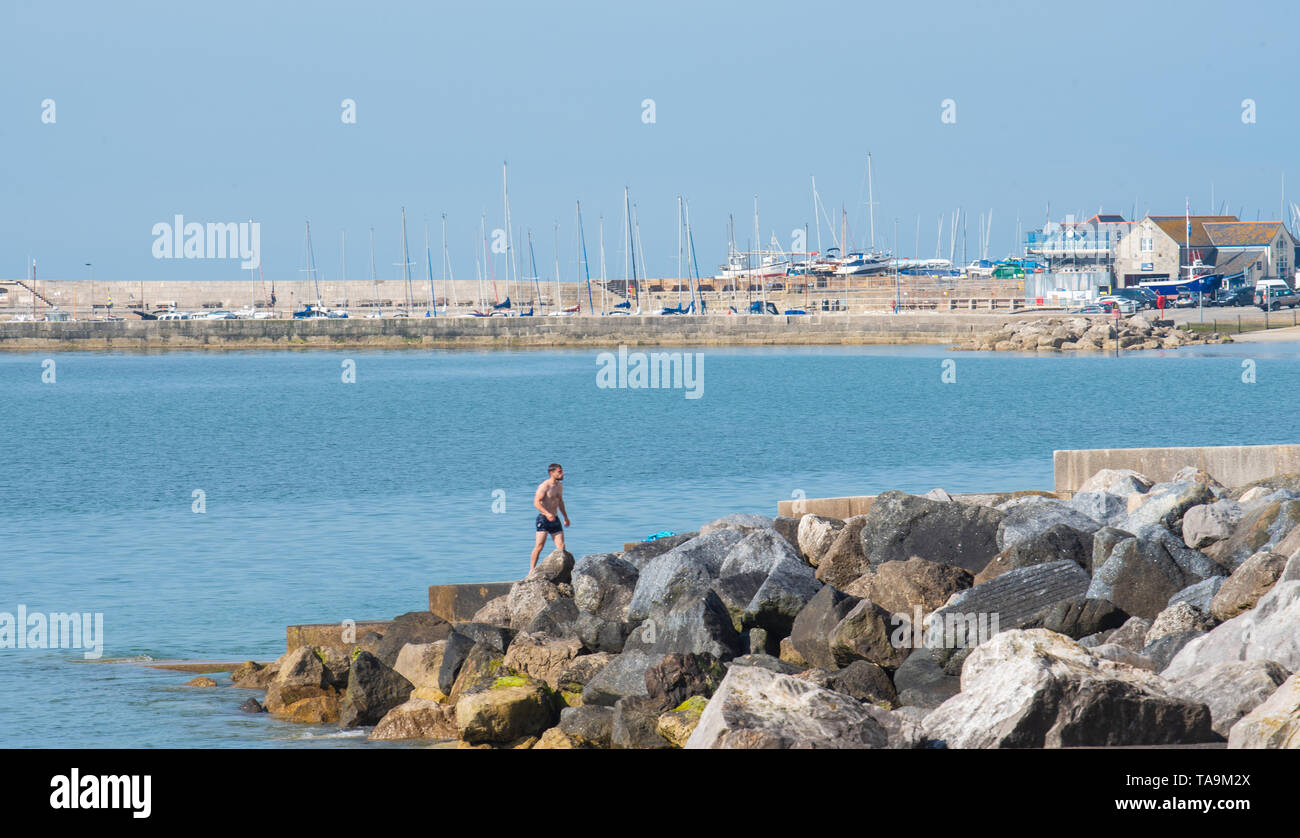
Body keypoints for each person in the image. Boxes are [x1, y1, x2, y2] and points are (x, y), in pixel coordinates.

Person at [531, 463, 570, 571]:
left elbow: (560, 502)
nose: (562, 473)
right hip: (544, 519)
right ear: (551, 473)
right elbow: (536, 503)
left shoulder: (559, 486)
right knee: (539, 546)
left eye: (562, 471)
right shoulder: (544, 486)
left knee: (561, 547)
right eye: (559, 471)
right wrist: (547, 514)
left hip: (555, 518)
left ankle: (563, 571)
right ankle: (532, 569)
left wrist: (565, 517)